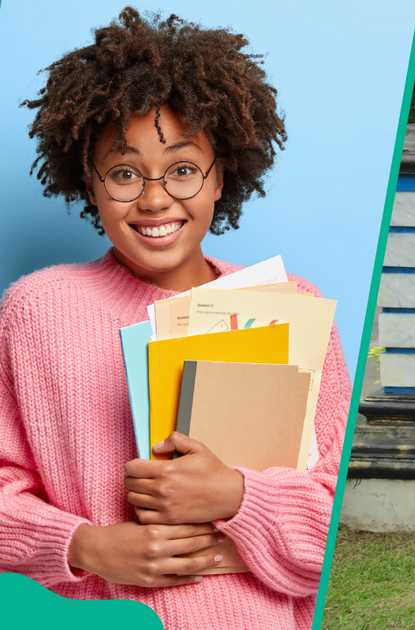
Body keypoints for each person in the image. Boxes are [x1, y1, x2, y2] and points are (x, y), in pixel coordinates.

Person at [0, 8, 351, 629]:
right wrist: (85, 546)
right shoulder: (35, 312)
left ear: (224, 176)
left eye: (184, 169)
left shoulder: (290, 303)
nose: (156, 198)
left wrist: (239, 498)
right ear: (89, 180)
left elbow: (338, 520)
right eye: (125, 172)